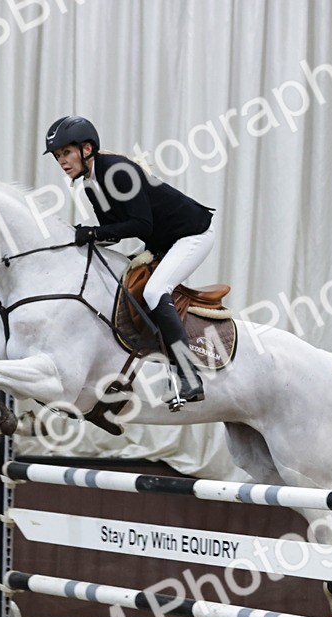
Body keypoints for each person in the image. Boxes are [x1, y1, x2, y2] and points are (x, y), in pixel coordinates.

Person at [44, 115, 214, 405]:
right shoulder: (90, 184)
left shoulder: (117, 170)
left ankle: (188, 374)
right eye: (58, 156)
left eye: (66, 153)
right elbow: (114, 233)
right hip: (163, 241)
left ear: (86, 149)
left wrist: (94, 232)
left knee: (154, 290)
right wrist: (79, 237)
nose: (62, 161)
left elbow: (140, 225)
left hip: (192, 234)